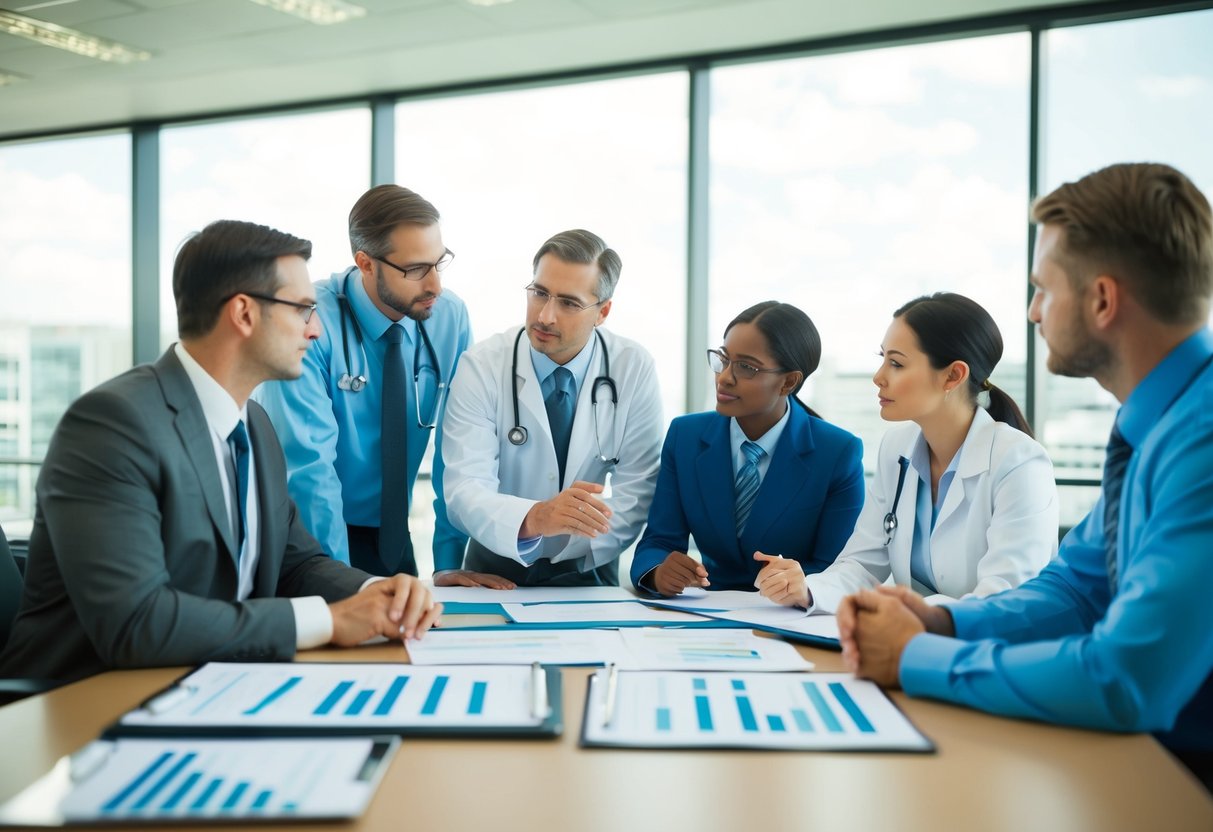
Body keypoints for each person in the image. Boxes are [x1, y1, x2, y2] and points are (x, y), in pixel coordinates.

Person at [837, 163, 1213, 788]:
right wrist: (943, 624)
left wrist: (917, 657)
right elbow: (1075, 590)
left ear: (1101, 300)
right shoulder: (1155, 427)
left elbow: (1128, 678)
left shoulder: (1199, 441)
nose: (1034, 313)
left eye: (1043, 289)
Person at [0, 220, 440, 684]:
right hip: (82, 703)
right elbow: (135, 623)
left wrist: (379, 592)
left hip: (208, 687)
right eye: (304, 309)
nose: (315, 330)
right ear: (244, 314)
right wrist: (330, 622)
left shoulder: (256, 426)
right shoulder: (113, 425)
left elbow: (298, 563)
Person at [758, 293, 1058, 611]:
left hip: (991, 650)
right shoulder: (896, 449)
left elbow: (1004, 599)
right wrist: (807, 588)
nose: (878, 376)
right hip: (920, 639)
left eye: (897, 363)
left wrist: (906, 615)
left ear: (953, 375)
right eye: (882, 357)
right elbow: (861, 566)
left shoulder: (1019, 463)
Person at [255, 185, 472, 578]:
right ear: (366, 263)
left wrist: (448, 565)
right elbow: (309, 472)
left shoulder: (448, 317)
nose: (435, 285)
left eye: (439, 263)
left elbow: (456, 451)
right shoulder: (307, 324)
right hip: (308, 539)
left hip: (394, 539)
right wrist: (344, 586)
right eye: (415, 269)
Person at [440, 229, 663, 587]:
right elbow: (465, 486)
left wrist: (575, 545)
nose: (545, 316)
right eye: (539, 293)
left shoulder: (632, 367)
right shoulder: (481, 366)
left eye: (569, 303)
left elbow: (638, 490)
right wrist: (536, 518)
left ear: (603, 311)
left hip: (591, 561)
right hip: (494, 563)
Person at [631, 301, 864, 596]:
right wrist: (658, 572)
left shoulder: (838, 452)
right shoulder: (685, 436)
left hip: (791, 618)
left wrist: (799, 584)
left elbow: (838, 568)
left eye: (746, 367)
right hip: (705, 616)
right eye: (723, 359)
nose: (725, 377)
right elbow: (658, 542)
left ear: (788, 382)